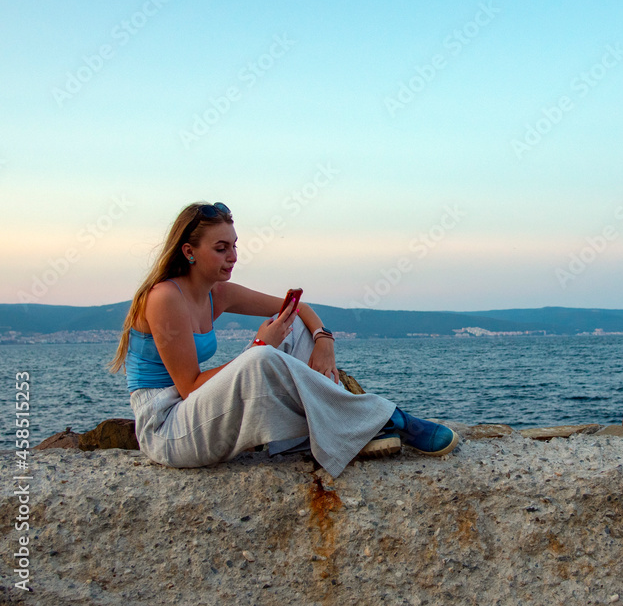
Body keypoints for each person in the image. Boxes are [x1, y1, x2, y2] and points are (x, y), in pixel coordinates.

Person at [109, 201, 458, 478]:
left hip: (195, 415)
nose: (233, 257)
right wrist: (262, 347)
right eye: (220, 248)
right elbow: (188, 388)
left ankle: (340, 430)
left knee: (293, 327)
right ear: (189, 251)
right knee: (261, 358)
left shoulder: (218, 293)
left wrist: (324, 340)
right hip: (168, 429)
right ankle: (385, 419)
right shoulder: (165, 298)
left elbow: (295, 306)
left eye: (234, 246)